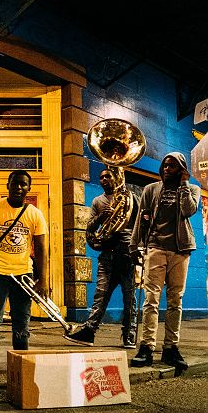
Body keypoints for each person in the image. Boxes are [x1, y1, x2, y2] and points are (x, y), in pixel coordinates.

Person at [0, 170, 49, 388]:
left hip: (23, 275)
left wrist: (43, 280)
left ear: (28, 188)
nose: (19, 187)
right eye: (15, 183)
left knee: (21, 325)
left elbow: (42, 249)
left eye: (23, 184)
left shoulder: (35, 214)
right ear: (7, 185)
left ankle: (20, 370)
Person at [130, 152, 200, 369]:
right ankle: (146, 347)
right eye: (165, 166)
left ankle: (171, 348)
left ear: (181, 169)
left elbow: (189, 210)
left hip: (181, 250)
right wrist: (134, 244)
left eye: (172, 166)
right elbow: (141, 218)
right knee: (151, 299)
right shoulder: (151, 189)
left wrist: (184, 185)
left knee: (175, 301)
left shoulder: (192, 189)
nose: (167, 169)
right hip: (156, 248)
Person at [63, 168, 139, 348]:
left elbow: (140, 224)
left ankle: (129, 335)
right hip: (107, 255)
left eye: (107, 176)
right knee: (100, 296)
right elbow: (89, 228)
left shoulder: (131, 197)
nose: (104, 179)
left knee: (130, 299)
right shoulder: (97, 201)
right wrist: (100, 217)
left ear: (116, 177)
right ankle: (89, 332)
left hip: (127, 254)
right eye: (101, 177)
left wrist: (140, 248)